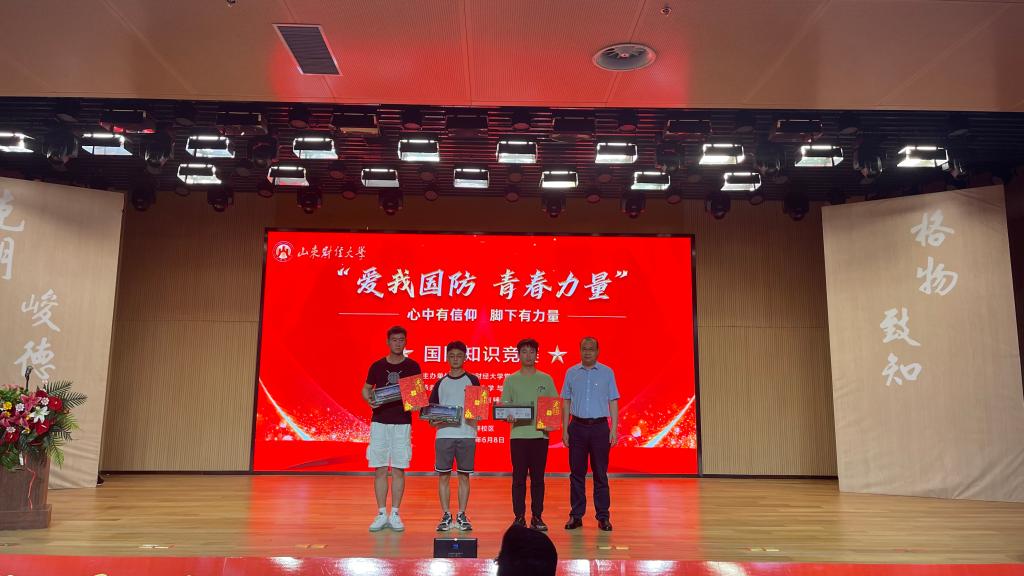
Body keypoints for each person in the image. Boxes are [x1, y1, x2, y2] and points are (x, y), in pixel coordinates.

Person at [361, 325, 421, 532]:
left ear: (406, 342)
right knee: (379, 468)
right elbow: (366, 389)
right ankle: (381, 513)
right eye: (394, 340)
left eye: (401, 340)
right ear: (388, 342)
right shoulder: (377, 366)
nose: (398, 343)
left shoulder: (412, 366)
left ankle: (395, 513)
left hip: (402, 423)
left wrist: (414, 402)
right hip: (379, 422)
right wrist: (369, 400)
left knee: (398, 469)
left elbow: (417, 398)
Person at [561, 336, 619, 532]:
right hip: (577, 427)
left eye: (591, 349)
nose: (587, 352)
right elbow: (566, 401)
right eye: (584, 349)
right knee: (576, 474)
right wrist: (565, 429)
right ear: (580, 350)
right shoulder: (571, 372)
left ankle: (603, 516)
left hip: (600, 429)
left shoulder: (607, 372)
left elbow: (613, 401)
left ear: (597, 351)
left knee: (600, 474)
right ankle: (576, 515)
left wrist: (614, 429)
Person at [499, 338, 558, 531]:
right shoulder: (511, 380)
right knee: (518, 479)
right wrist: (507, 415)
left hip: (540, 436)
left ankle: (537, 517)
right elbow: (504, 407)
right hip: (518, 436)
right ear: (518, 355)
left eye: (532, 352)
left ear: (536, 354)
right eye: (524, 352)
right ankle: (519, 517)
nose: (528, 355)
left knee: (538, 479)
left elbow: (554, 406)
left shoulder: (546, 379)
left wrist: (551, 422)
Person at [428, 340, 481, 532]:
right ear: (447, 358)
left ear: (465, 357)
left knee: (464, 476)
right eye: (451, 356)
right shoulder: (440, 383)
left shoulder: (473, 380)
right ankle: (445, 515)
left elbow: (479, 411)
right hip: (444, 435)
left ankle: (461, 514)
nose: (455, 359)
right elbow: (431, 414)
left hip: (467, 434)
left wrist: (475, 414)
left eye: (459, 356)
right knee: (443, 476)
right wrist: (435, 419)